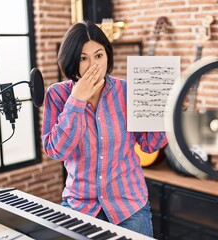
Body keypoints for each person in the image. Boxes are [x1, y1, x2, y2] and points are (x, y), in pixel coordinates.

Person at [41, 20, 167, 237]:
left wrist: (163, 113)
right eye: (83, 58)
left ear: (107, 56)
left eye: (99, 56)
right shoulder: (58, 94)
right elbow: (56, 150)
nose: (93, 66)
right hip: (79, 206)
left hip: (130, 208)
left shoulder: (127, 91)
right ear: (71, 60)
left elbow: (150, 145)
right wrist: (77, 100)